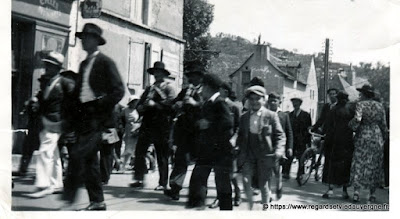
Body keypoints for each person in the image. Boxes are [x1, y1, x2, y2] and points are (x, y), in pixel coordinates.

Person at [62, 23, 125, 210]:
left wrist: (100, 105)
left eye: (87, 38)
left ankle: (68, 197)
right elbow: (78, 93)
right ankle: (97, 201)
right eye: (82, 38)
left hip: (98, 118)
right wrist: (69, 115)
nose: (83, 41)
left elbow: (118, 91)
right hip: (83, 116)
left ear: (96, 41)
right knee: (89, 161)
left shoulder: (105, 62)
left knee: (78, 154)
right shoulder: (83, 64)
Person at [26, 51, 75, 198]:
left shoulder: (65, 82)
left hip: (56, 122)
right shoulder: (47, 82)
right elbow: (43, 98)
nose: (47, 67)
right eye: (46, 64)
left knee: (44, 152)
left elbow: (73, 102)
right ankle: (56, 183)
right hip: (45, 121)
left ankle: (43, 185)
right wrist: (34, 101)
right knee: (53, 154)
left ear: (58, 68)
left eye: (50, 65)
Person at [186, 73, 234, 210]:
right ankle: (198, 208)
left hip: (220, 152)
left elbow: (228, 123)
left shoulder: (219, 102)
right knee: (198, 181)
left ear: (208, 87)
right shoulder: (208, 103)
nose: (201, 91)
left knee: (222, 185)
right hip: (206, 151)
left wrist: (209, 124)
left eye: (203, 87)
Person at [236, 86, 286, 210]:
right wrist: (234, 142)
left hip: (265, 155)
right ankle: (251, 207)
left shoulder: (271, 116)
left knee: (263, 184)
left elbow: (280, 135)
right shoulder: (244, 117)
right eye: (251, 99)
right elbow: (239, 134)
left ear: (264, 100)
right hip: (248, 154)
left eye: (258, 99)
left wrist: (279, 150)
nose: (254, 102)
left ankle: (265, 208)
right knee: (246, 181)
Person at [130, 61, 176, 190]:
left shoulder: (168, 88)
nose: (156, 75)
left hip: (161, 125)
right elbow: (140, 103)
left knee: (162, 155)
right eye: (155, 72)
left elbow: (171, 105)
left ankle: (162, 183)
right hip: (147, 124)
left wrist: (156, 105)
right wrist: (140, 107)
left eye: (159, 72)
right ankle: (139, 179)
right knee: (139, 151)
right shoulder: (150, 88)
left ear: (163, 74)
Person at [164, 61, 204, 201]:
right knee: (180, 159)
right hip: (184, 130)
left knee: (201, 162)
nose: (191, 79)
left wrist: (196, 104)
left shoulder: (205, 91)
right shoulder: (186, 90)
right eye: (189, 76)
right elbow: (174, 103)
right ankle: (175, 188)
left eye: (193, 76)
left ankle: (199, 191)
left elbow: (210, 108)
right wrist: (177, 104)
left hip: (200, 131)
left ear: (200, 77)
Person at [348, 84, 388, 203]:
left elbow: (357, 119)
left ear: (364, 94)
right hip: (376, 136)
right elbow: (384, 125)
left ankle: (356, 193)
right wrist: (384, 137)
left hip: (363, 135)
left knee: (360, 163)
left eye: (361, 93)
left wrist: (351, 126)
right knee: (374, 164)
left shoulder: (361, 104)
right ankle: (373, 194)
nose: (360, 95)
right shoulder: (380, 106)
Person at [209, 82, 242, 208]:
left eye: (220, 91)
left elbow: (239, 127)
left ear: (226, 93)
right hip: (218, 145)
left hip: (230, 146)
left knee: (231, 174)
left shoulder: (234, 107)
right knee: (218, 173)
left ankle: (237, 194)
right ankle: (219, 197)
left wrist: (235, 139)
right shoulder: (215, 106)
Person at [321, 91, 355, 199]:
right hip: (347, 142)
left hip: (333, 141)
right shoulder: (350, 111)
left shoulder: (333, 110)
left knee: (332, 165)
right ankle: (344, 191)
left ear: (338, 99)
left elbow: (328, 125)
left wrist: (324, 136)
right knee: (345, 166)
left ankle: (330, 189)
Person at [266, 92, 293, 200]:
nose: (273, 103)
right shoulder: (265, 114)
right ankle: (268, 193)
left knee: (277, 171)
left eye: (275, 101)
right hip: (267, 146)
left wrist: (289, 147)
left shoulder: (284, 115)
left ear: (279, 102)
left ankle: (278, 186)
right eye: (271, 100)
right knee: (267, 171)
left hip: (279, 147)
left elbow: (289, 132)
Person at [283, 96, 311, 180]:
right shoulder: (289, 115)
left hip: (302, 139)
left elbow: (308, 128)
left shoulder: (306, 115)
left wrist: (307, 141)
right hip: (292, 139)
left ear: (300, 104)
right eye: (293, 102)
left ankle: (300, 174)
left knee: (301, 158)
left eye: (297, 102)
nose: (295, 104)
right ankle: (286, 173)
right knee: (289, 156)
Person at [119, 95, 141, 173]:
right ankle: (123, 165)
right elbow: (120, 119)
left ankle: (136, 166)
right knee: (128, 148)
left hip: (137, 128)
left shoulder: (138, 110)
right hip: (129, 129)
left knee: (136, 149)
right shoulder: (125, 110)